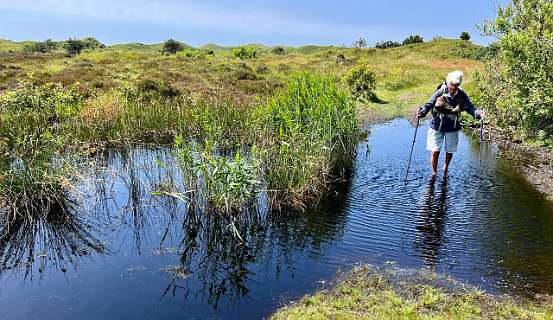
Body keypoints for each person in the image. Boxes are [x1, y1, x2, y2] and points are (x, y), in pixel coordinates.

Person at [417, 71, 484, 176]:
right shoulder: (440, 92)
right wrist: (422, 112)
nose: (453, 88)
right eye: (452, 85)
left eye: (456, 85)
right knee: (435, 150)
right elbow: (429, 104)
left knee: (450, 150)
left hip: (453, 126)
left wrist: (478, 114)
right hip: (437, 124)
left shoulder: (461, 94)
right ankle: (434, 172)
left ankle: (445, 167)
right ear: (448, 83)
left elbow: (470, 107)